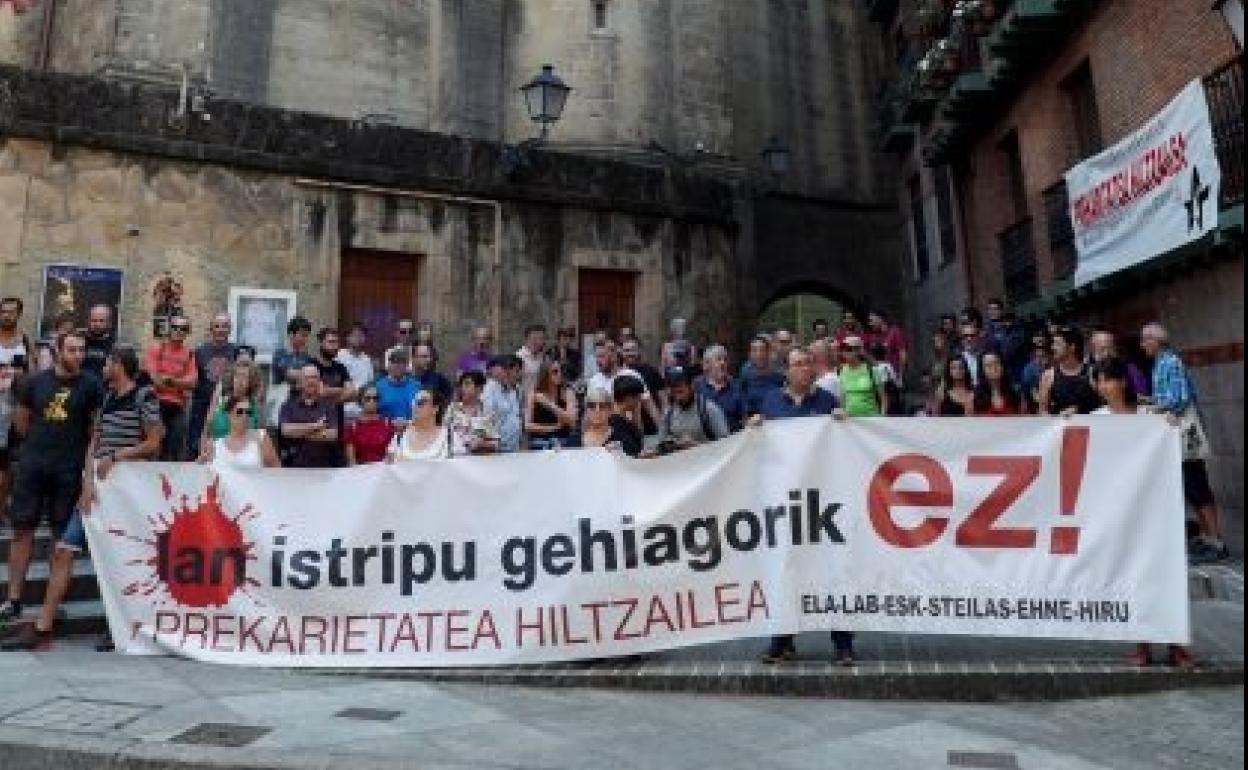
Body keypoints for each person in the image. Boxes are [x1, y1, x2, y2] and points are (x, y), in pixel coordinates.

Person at [2, 346, 159, 652]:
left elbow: (154, 442)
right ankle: (42, 628)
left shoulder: (144, 396)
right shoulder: (108, 398)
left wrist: (118, 455)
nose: (101, 366)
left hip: (126, 491)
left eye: (108, 362)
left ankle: (116, 625)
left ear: (118, 365)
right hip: (98, 488)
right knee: (63, 549)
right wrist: (87, 484)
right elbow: (94, 443)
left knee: (119, 559)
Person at [747, 348, 853, 665]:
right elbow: (761, 451)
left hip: (824, 502)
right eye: (797, 364)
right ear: (787, 372)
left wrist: (843, 423)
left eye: (808, 363)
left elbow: (843, 447)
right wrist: (753, 428)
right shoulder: (771, 403)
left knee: (833, 569)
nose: (804, 368)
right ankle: (782, 641)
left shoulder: (826, 402)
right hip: (787, 503)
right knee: (786, 568)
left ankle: (843, 643)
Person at [1091, 356, 1196, 670]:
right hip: (1122, 511)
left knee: (1169, 574)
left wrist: (1171, 427)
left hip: (1157, 508)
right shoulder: (1096, 419)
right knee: (1133, 577)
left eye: (1108, 379)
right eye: (1098, 381)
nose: (1103, 386)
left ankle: (1177, 644)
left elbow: (1174, 446)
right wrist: (1065, 421)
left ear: (1122, 381)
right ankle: (1142, 644)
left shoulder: (1150, 415)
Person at [0, 331, 104, 639]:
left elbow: (94, 430)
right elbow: (21, 422)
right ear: (57, 351)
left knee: (62, 540)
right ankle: (14, 599)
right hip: (33, 464)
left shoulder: (92, 385)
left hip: (69, 470)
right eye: (71, 349)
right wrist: (38, 446)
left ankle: (51, 603)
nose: (78, 355)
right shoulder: (34, 382)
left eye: (82, 350)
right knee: (22, 531)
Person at [1141, 322, 1229, 562]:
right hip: (1175, 433)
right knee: (1191, 486)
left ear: (1156, 340)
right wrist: (1151, 401)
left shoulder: (1170, 362)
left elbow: (1179, 399)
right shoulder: (1160, 363)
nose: (1142, 345)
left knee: (1197, 484)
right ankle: (1207, 536)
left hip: (1183, 432)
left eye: (1145, 339)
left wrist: (1154, 406)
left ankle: (1217, 541)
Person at [143, 314, 197, 460]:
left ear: (188, 332)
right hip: (155, 405)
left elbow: (193, 383)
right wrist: (180, 382)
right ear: (169, 329)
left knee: (174, 451)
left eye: (183, 328)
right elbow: (154, 379)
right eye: (175, 327)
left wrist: (171, 380)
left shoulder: (189, 354)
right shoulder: (156, 348)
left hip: (177, 407)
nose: (179, 331)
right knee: (152, 449)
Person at [188, 312, 238, 459]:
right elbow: (193, 379)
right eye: (217, 326)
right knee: (196, 449)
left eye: (224, 326)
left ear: (230, 329)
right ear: (211, 329)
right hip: (201, 409)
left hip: (226, 408)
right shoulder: (199, 352)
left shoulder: (236, 352)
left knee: (224, 452)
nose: (220, 329)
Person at [278, 364, 340, 468]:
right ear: (300, 383)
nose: (311, 381)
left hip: (324, 469)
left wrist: (298, 433)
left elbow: (332, 435)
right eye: (307, 378)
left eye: (314, 377)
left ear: (320, 382)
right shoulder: (288, 406)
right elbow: (286, 431)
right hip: (295, 468)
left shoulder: (329, 406)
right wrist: (316, 426)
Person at [658, 366, 729, 452]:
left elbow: (726, 446)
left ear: (691, 385)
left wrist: (696, 445)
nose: (676, 388)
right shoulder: (668, 414)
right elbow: (661, 447)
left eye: (680, 385)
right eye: (672, 385)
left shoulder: (709, 410)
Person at [201, 394, 281, 469]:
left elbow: (277, 470)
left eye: (248, 412)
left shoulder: (261, 437)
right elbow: (202, 470)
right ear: (229, 415)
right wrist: (203, 459)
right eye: (240, 412)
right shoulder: (216, 445)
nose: (245, 416)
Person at [202, 358, 264, 453]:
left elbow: (260, 437)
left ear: (251, 382)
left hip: (243, 458)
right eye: (237, 376)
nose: (240, 380)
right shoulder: (220, 400)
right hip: (217, 456)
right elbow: (207, 428)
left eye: (245, 377)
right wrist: (203, 451)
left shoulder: (254, 406)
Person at [1038, 326, 1101, 416]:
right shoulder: (1048, 376)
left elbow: (1104, 405)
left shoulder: (1091, 372)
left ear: (1072, 347)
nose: (1053, 348)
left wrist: (1079, 410)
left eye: (1058, 344)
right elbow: (1042, 411)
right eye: (1053, 344)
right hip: (1061, 427)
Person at [269, 316, 314, 425]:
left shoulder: (307, 357)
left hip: (301, 400)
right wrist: (306, 376)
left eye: (306, 336)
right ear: (291, 334)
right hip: (281, 398)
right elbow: (290, 374)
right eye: (302, 335)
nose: (305, 339)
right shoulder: (280, 353)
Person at [621, 337, 667, 442]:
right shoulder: (619, 375)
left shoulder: (652, 372)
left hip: (654, 430)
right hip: (630, 433)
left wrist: (664, 427)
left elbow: (664, 400)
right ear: (622, 352)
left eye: (633, 350)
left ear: (639, 351)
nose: (630, 354)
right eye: (626, 351)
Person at [525, 361, 577, 450]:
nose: (559, 374)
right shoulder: (534, 394)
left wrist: (549, 404)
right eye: (555, 371)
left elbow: (572, 421)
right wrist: (553, 428)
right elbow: (527, 426)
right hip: (539, 442)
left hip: (563, 441)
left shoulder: (567, 392)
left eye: (561, 371)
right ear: (546, 373)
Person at [445, 370, 499, 456]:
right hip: (455, 461)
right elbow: (443, 436)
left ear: (479, 389)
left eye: (467, 384)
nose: (463, 388)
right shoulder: (452, 409)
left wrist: (482, 444)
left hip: (480, 461)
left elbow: (495, 443)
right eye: (462, 385)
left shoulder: (487, 412)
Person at [388, 390, 450, 461]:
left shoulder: (449, 437)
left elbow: (460, 468)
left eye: (421, 403)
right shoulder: (400, 436)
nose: (415, 406)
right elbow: (389, 468)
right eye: (413, 403)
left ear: (435, 408)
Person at [343, 384, 394, 466]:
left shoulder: (387, 423)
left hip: (383, 472)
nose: (372, 401)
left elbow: (391, 455)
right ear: (360, 400)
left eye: (375, 398)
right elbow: (351, 460)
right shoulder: (352, 427)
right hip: (361, 473)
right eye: (367, 398)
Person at [1088, 328, 1148, 399]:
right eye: (1102, 349)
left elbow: (1142, 396)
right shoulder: (1085, 372)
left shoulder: (1130, 369)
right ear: (1093, 350)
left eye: (1110, 348)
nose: (1107, 353)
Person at [697, 345, 745, 433]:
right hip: (706, 441)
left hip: (732, 439)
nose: (723, 363)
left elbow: (744, 417)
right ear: (706, 365)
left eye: (725, 360)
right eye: (718, 359)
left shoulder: (736, 387)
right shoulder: (697, 387)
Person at [837, 336, 888, 417]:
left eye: (849, 349)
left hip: (871, 419)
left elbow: (883, 397)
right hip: (849, 420)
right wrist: (841, 411)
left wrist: (882, 416)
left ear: (858, 351)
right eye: (843, 349)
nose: (845, 352)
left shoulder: (871, 370)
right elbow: (842, 397)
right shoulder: (842, 370)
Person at [482, 354, 523, 453]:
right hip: (497, 448)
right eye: (515, 371)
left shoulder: (515, 390)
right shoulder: (489, 389)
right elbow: (487, 417)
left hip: (514, 446)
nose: (518, 375)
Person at [738, 335, 784, 417]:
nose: (758, 354)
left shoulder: (779, 377)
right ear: (750, 354)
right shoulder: (745, 377)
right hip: (754, 423)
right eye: (754, 350)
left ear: (768, 352)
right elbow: (742, 404)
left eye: (762, 350)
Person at [337, 322, 375, 421]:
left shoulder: (367, 360)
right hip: (343, 410)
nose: (359, 338)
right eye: (355, 335)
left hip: (363, 412)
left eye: (362, 335)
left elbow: (370, 385)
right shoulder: (339, 357)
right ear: (347, 337)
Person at [375, 349, 420, 428]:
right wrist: (391, 423)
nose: (398, 366)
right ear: (388, 364)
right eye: (394, 362)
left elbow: (423, 411)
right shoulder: (378, 386)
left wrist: (407, 423)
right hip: (385, 431)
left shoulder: (417, 386)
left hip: (412, 430)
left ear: (406, 365)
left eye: (401, 363)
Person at [606, 375, 648, 458]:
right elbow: (631, 452)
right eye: (637, 396)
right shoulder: (615, 425)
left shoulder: (627, 420)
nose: (639, 400)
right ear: (627, 397)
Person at [972, 352, 1023, 416]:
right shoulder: (974, 397)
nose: (994, 367)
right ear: (982, 370)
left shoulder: (1016, 393)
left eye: (997, 363)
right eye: (988, 365)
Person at [865, 311, 907, 378]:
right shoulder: (872, 336)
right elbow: (869, 354)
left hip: (893, 374)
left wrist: (901, 374)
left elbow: (902, 353)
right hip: (878, 374)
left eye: (871, 320)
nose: (870, 323)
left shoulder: (894, 331)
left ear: (880, 319)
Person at [1020, 330, 1051, 414]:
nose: (1040, 361)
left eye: (1043, 357)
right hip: (1034, 408)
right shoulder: (1029, 370)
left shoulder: (1054, 368)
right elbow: (1029, 395)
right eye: (1038, 357)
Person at [0, 297, 34, 374]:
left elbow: (32, 371)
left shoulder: (25, 340)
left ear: (19, 314)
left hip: (19, 385)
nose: (6, 315)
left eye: (11, 312)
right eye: (3, 311)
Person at [81, 304, 115, 379]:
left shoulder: (116, 344)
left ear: (109, 323)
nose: (97, 324)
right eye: (94, 320)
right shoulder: (80, 340)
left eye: (101, 321)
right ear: (89, 321)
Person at [516, 323, 548, 397]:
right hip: (522, 400)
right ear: (528, 339)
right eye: (536, 338)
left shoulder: (541, 356)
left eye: (542, 338)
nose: (541, 342)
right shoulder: (519, 357)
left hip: (536, 398)